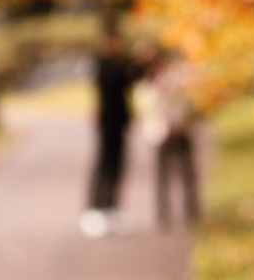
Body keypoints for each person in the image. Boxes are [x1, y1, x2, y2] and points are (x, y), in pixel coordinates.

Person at [79, 29, 142, 238]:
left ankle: (112, 206)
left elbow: (132, 78)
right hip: (107, 122)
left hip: (119, 122)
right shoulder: (103, 65)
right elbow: (117, 78)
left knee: (118, 164)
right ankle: (97, 206)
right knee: (104, 164)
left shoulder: (118, 63)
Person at [137, 52, 199, 229]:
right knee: (161, 176)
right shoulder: (145, 87)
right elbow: (147, 109)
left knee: (187, 175)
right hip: (160, 134)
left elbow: (188, 103)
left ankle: (191, 212)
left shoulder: (177, 80)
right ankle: (163, 214)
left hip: (180, 130)